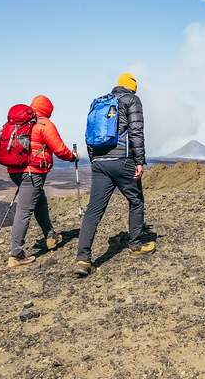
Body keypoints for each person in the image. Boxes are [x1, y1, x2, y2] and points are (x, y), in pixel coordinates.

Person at [75, 73, 154, 277]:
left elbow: (89, 132)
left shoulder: (101, 102)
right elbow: (136, 132)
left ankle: (83, 259)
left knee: (93, 210)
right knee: (136, 201)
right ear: (132, 87)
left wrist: (94, 159)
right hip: (123, 161)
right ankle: (135, 245)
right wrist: (139, 161)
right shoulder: (132, 100)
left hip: (100, 163)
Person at [6, 95, 80, 268]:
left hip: (14, 170)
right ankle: (16, 255)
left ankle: (50, 236)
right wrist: (73, 157)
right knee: (24, 210)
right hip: (32, 172)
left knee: (39, 200)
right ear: (48, 110)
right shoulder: (44, 124)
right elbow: (59, 149)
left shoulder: (19, 124)